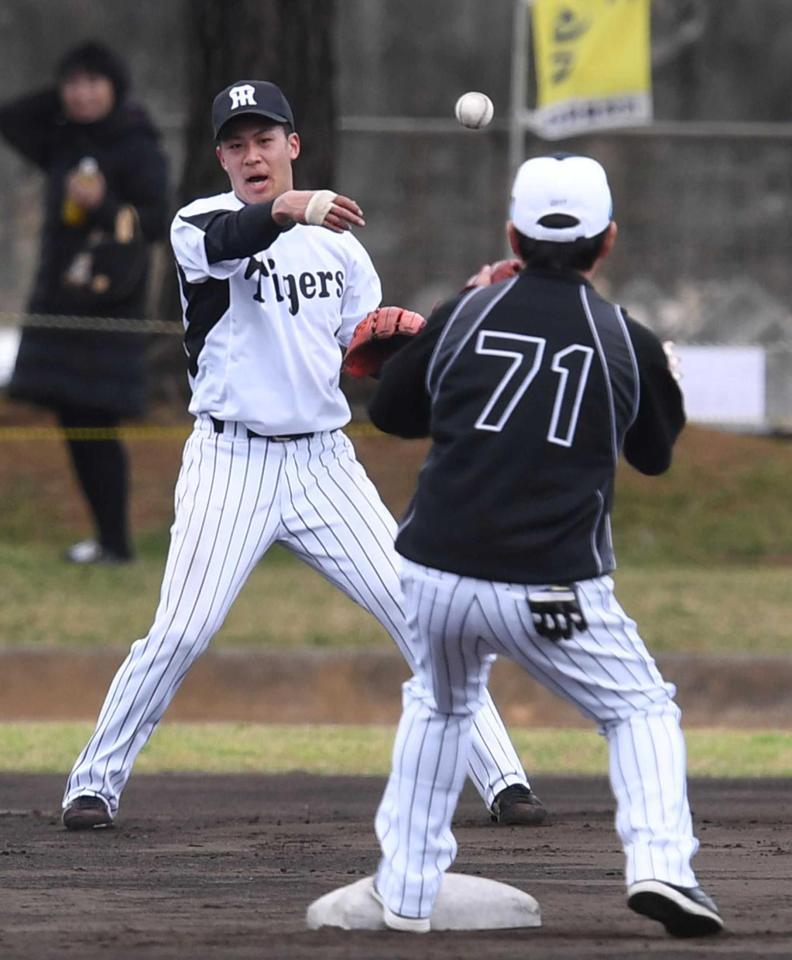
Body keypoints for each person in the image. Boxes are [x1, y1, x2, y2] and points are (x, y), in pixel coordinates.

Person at [60, 80, 545, 831]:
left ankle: (505, 780)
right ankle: (94, 782)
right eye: (236, 143)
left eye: (265, 139)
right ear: (221, 155)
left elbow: (371, 360)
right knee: (182, 629)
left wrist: (450, 318)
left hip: (324, 463)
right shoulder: (202, 222)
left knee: (418, 613)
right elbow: (233, 242)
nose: (252, 154)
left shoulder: (342, 248)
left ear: (293, 144)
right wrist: (290, 208)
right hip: (232, 461)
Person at [322, 154, 724, 936]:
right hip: (551, 587)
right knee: (639, 709)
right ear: (606, 242)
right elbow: (656, 454)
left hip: (435, 573)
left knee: (440, 704)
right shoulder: (622, 338)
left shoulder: (466, 310)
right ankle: (661, 869)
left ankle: (403, 893)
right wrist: (663, 381)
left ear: (512, 233)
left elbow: (393, 415)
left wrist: (441, 325)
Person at [0, 41, 170, 564]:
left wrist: (104, 206)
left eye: (94, 82)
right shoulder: (62, 139)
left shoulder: (136, 142)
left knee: (97, 420)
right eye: (73, 83)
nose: (82, 94)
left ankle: (116, 541)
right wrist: (64, 95)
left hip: (108, 302)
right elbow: (11, 118)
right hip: (61, 297)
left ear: (116, 87)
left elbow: (158, 221)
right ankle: (106, 540)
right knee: (73, 418)